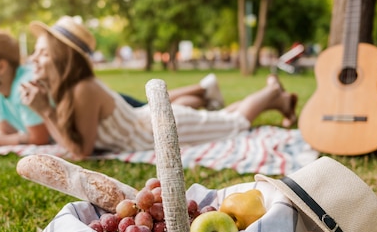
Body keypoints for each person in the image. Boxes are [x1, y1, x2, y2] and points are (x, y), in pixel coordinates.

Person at [20, 16, 298, 160]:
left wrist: (45, 111)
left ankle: (272, 92)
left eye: (42, 53)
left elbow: (81, 152)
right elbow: (74, 142)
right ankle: (281, 102)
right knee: (221, 118)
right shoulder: (72, 89)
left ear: (62, 58)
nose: (34, 58)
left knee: (234, 123)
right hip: (152, 124)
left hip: (162, 130)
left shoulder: (83, 89)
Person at [0, 28, 225, 154]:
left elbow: (54, 142)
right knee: (174, 110)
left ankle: (207, 91)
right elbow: (12, 133)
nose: (32, 60)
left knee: (176, 110)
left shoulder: (39, 85)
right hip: (122, 120)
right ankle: (204, 93)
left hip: (123, 120)